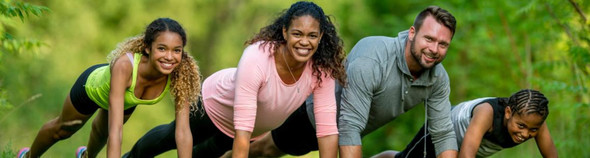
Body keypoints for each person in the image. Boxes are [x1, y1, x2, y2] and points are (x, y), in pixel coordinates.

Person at [123, 1, 346, 157]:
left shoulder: (321, 70)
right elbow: (242, 132)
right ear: (285, 32)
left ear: (321, 37)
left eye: (312, 36)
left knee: (203, 155)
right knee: (170, 138)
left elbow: (326, 132)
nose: (304, 42)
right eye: (298, 34)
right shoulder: (257, 58)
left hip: (249, 132)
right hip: (213, 106)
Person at [247, 5, 459, 158]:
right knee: (263, 151)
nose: (434, 49)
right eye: (429, 39)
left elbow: (443, 133)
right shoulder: (373, 59)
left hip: (352, 135)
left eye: (443, 44)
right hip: (312, 120)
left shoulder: (438, 79)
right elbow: (350, 125)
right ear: (412, 33)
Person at [17, 18, 201, 158]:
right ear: (147, 48)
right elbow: (117, 131)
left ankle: (85, 155)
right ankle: (28, 155)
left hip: (126, 99)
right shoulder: (125, 66)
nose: (170, 57)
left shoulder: (180, 76)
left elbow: (183, 132)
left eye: (176, 50)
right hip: (92, 88)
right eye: (162, 48)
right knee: (62, 130)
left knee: (101, 134)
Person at [374, 89, 558, 158]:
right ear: (508, 112)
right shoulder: (487, 113)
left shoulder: (535, 122)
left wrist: (533, 129)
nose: (525, 134)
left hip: (466, 147)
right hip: (443, 128)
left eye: (532, 129)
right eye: (521, 126)